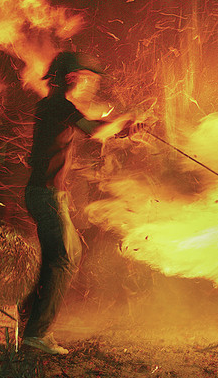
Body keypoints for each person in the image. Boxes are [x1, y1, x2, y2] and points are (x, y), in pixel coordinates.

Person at [21, 51, 141, 355]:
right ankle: (36, 333)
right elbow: (94, 130)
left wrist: (119, 129)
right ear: (68, 78)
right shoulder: (58, 105)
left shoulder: (51, 106)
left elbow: (91, 128)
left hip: (46, 193)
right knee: (63, 257)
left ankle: (27, 315)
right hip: (46, 194)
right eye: (79, 77)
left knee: (62, 256)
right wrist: (124, 123)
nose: (83, 82)